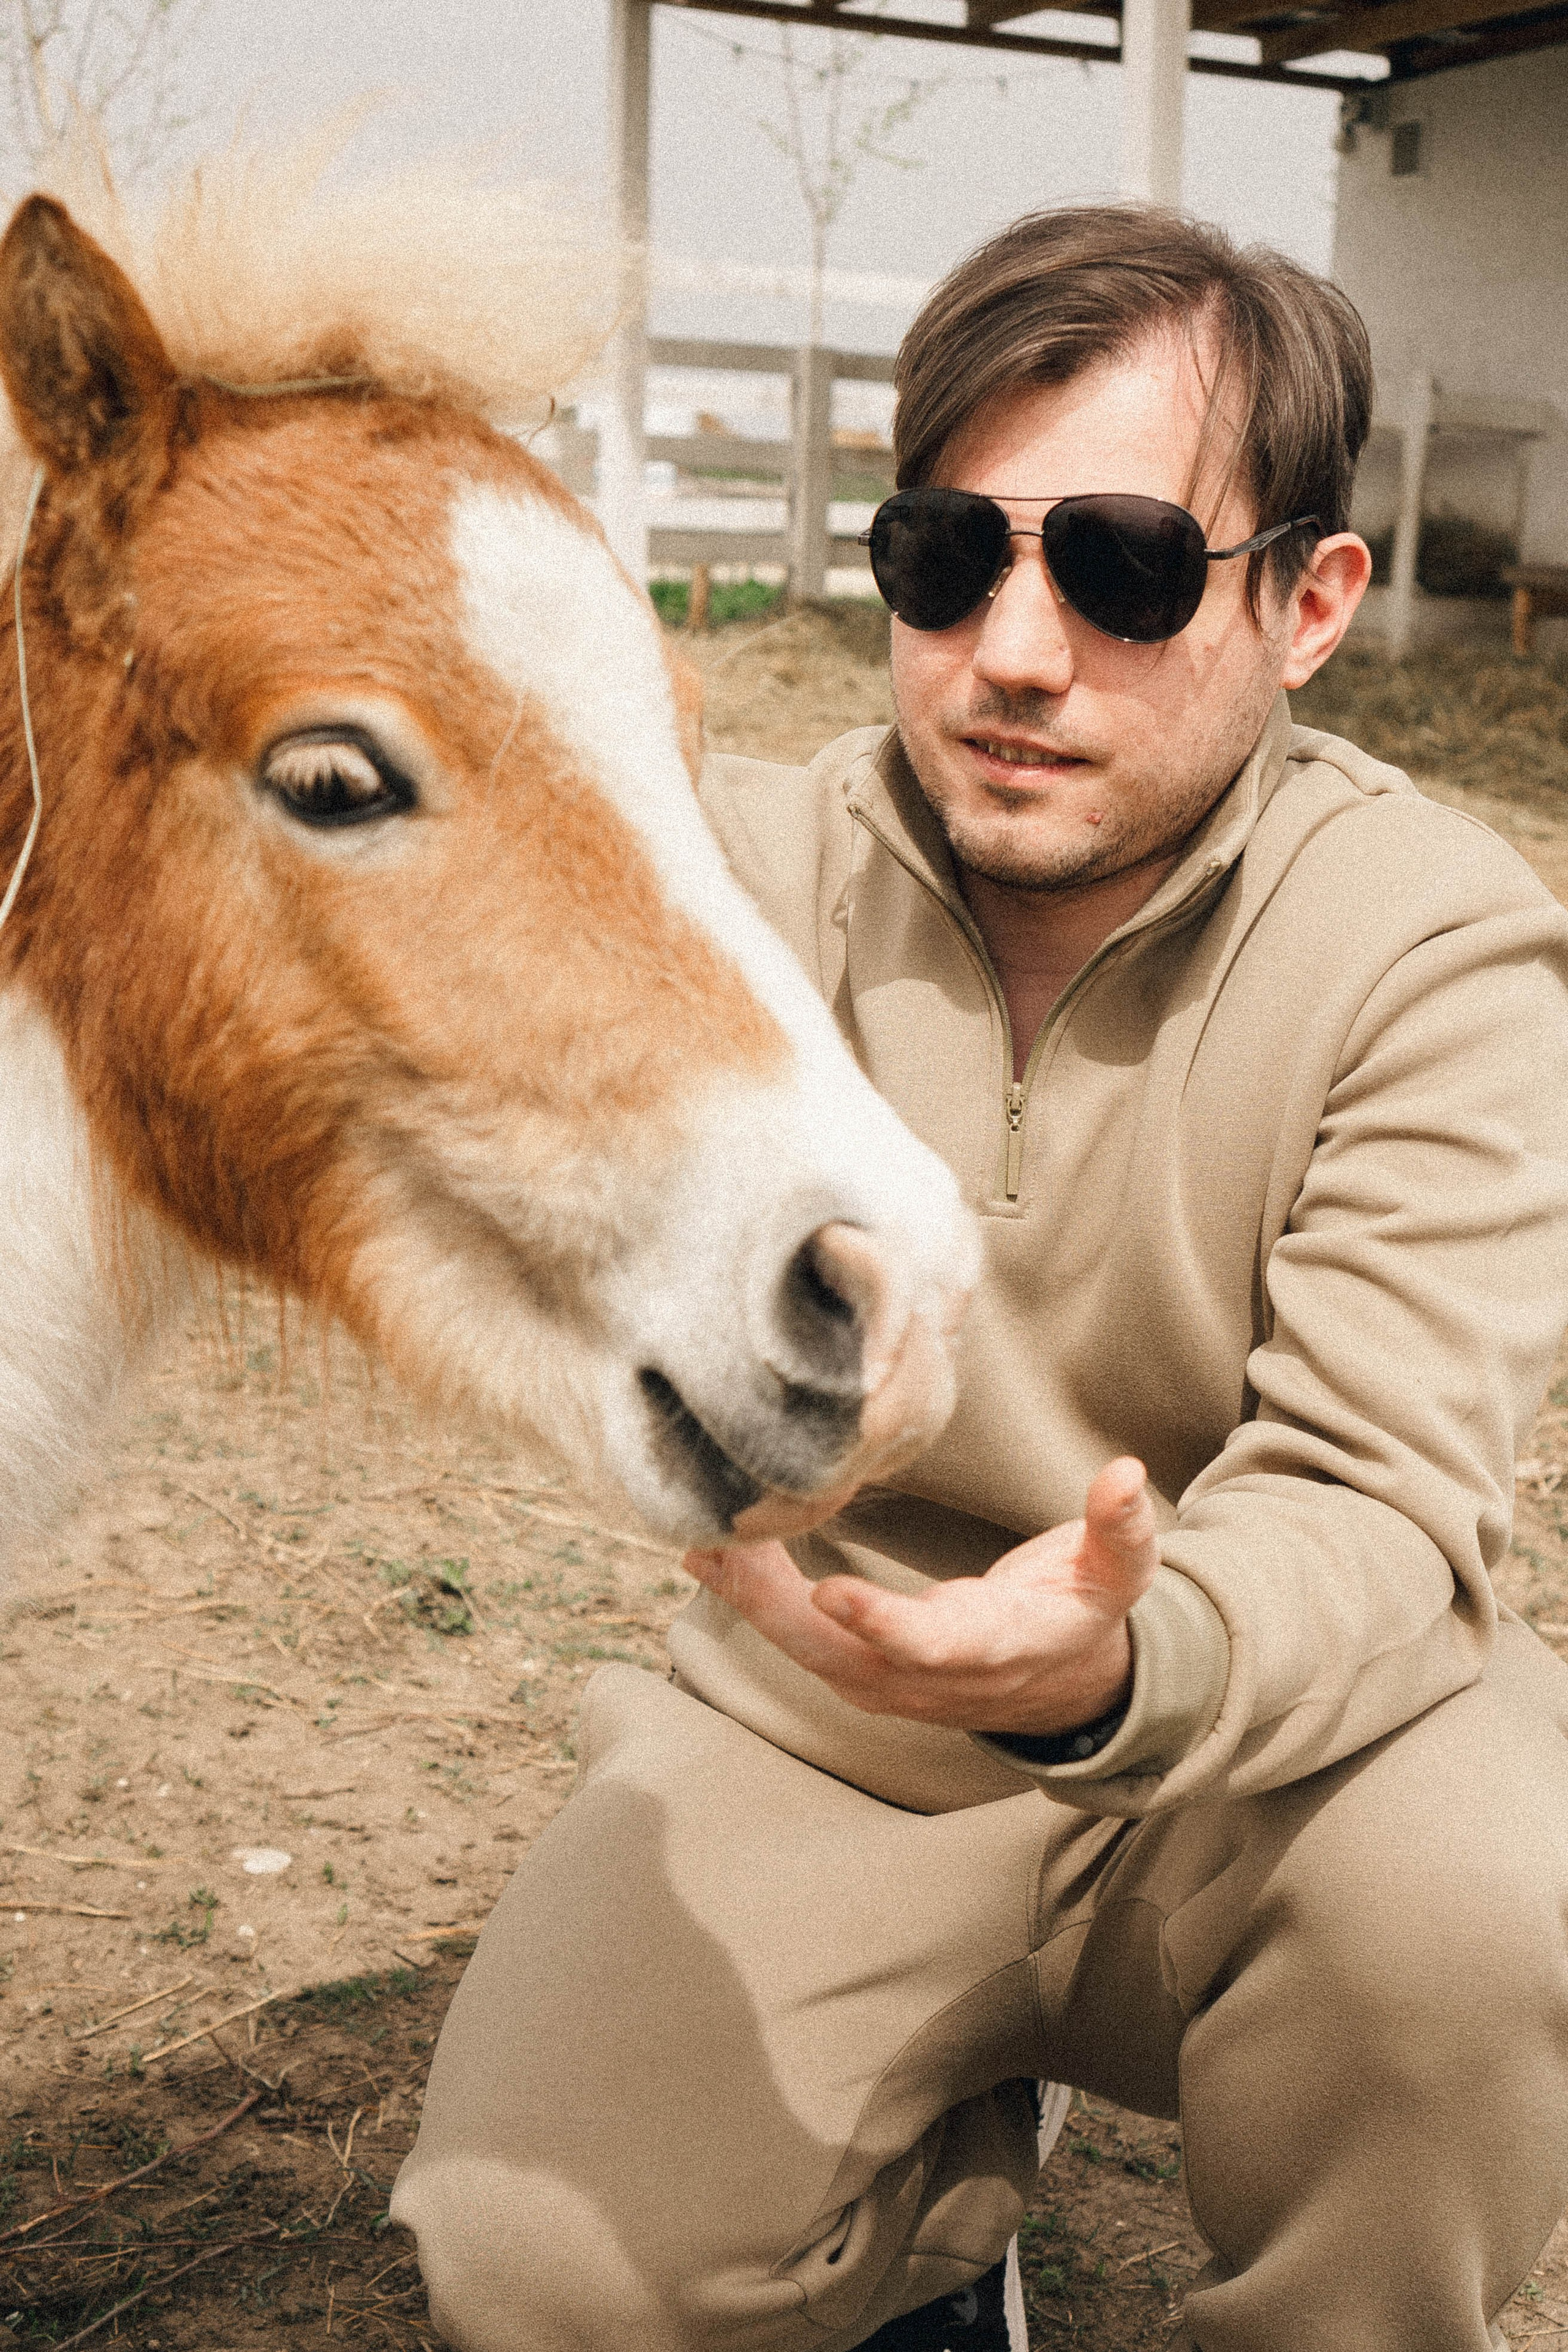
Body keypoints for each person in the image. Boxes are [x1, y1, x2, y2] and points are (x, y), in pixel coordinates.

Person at [390, 206, 1568, 2352]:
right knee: (530, 2264)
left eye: (1120, 566)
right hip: (826, 1716)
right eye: (947, 557)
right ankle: (928, 2251)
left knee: (1494, 1910)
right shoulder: (723, 875)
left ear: (1309, 603)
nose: (1014, 651)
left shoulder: (1441, 947)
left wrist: (1119, 1665)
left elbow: (1384, 1496)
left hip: (1274, 1737)